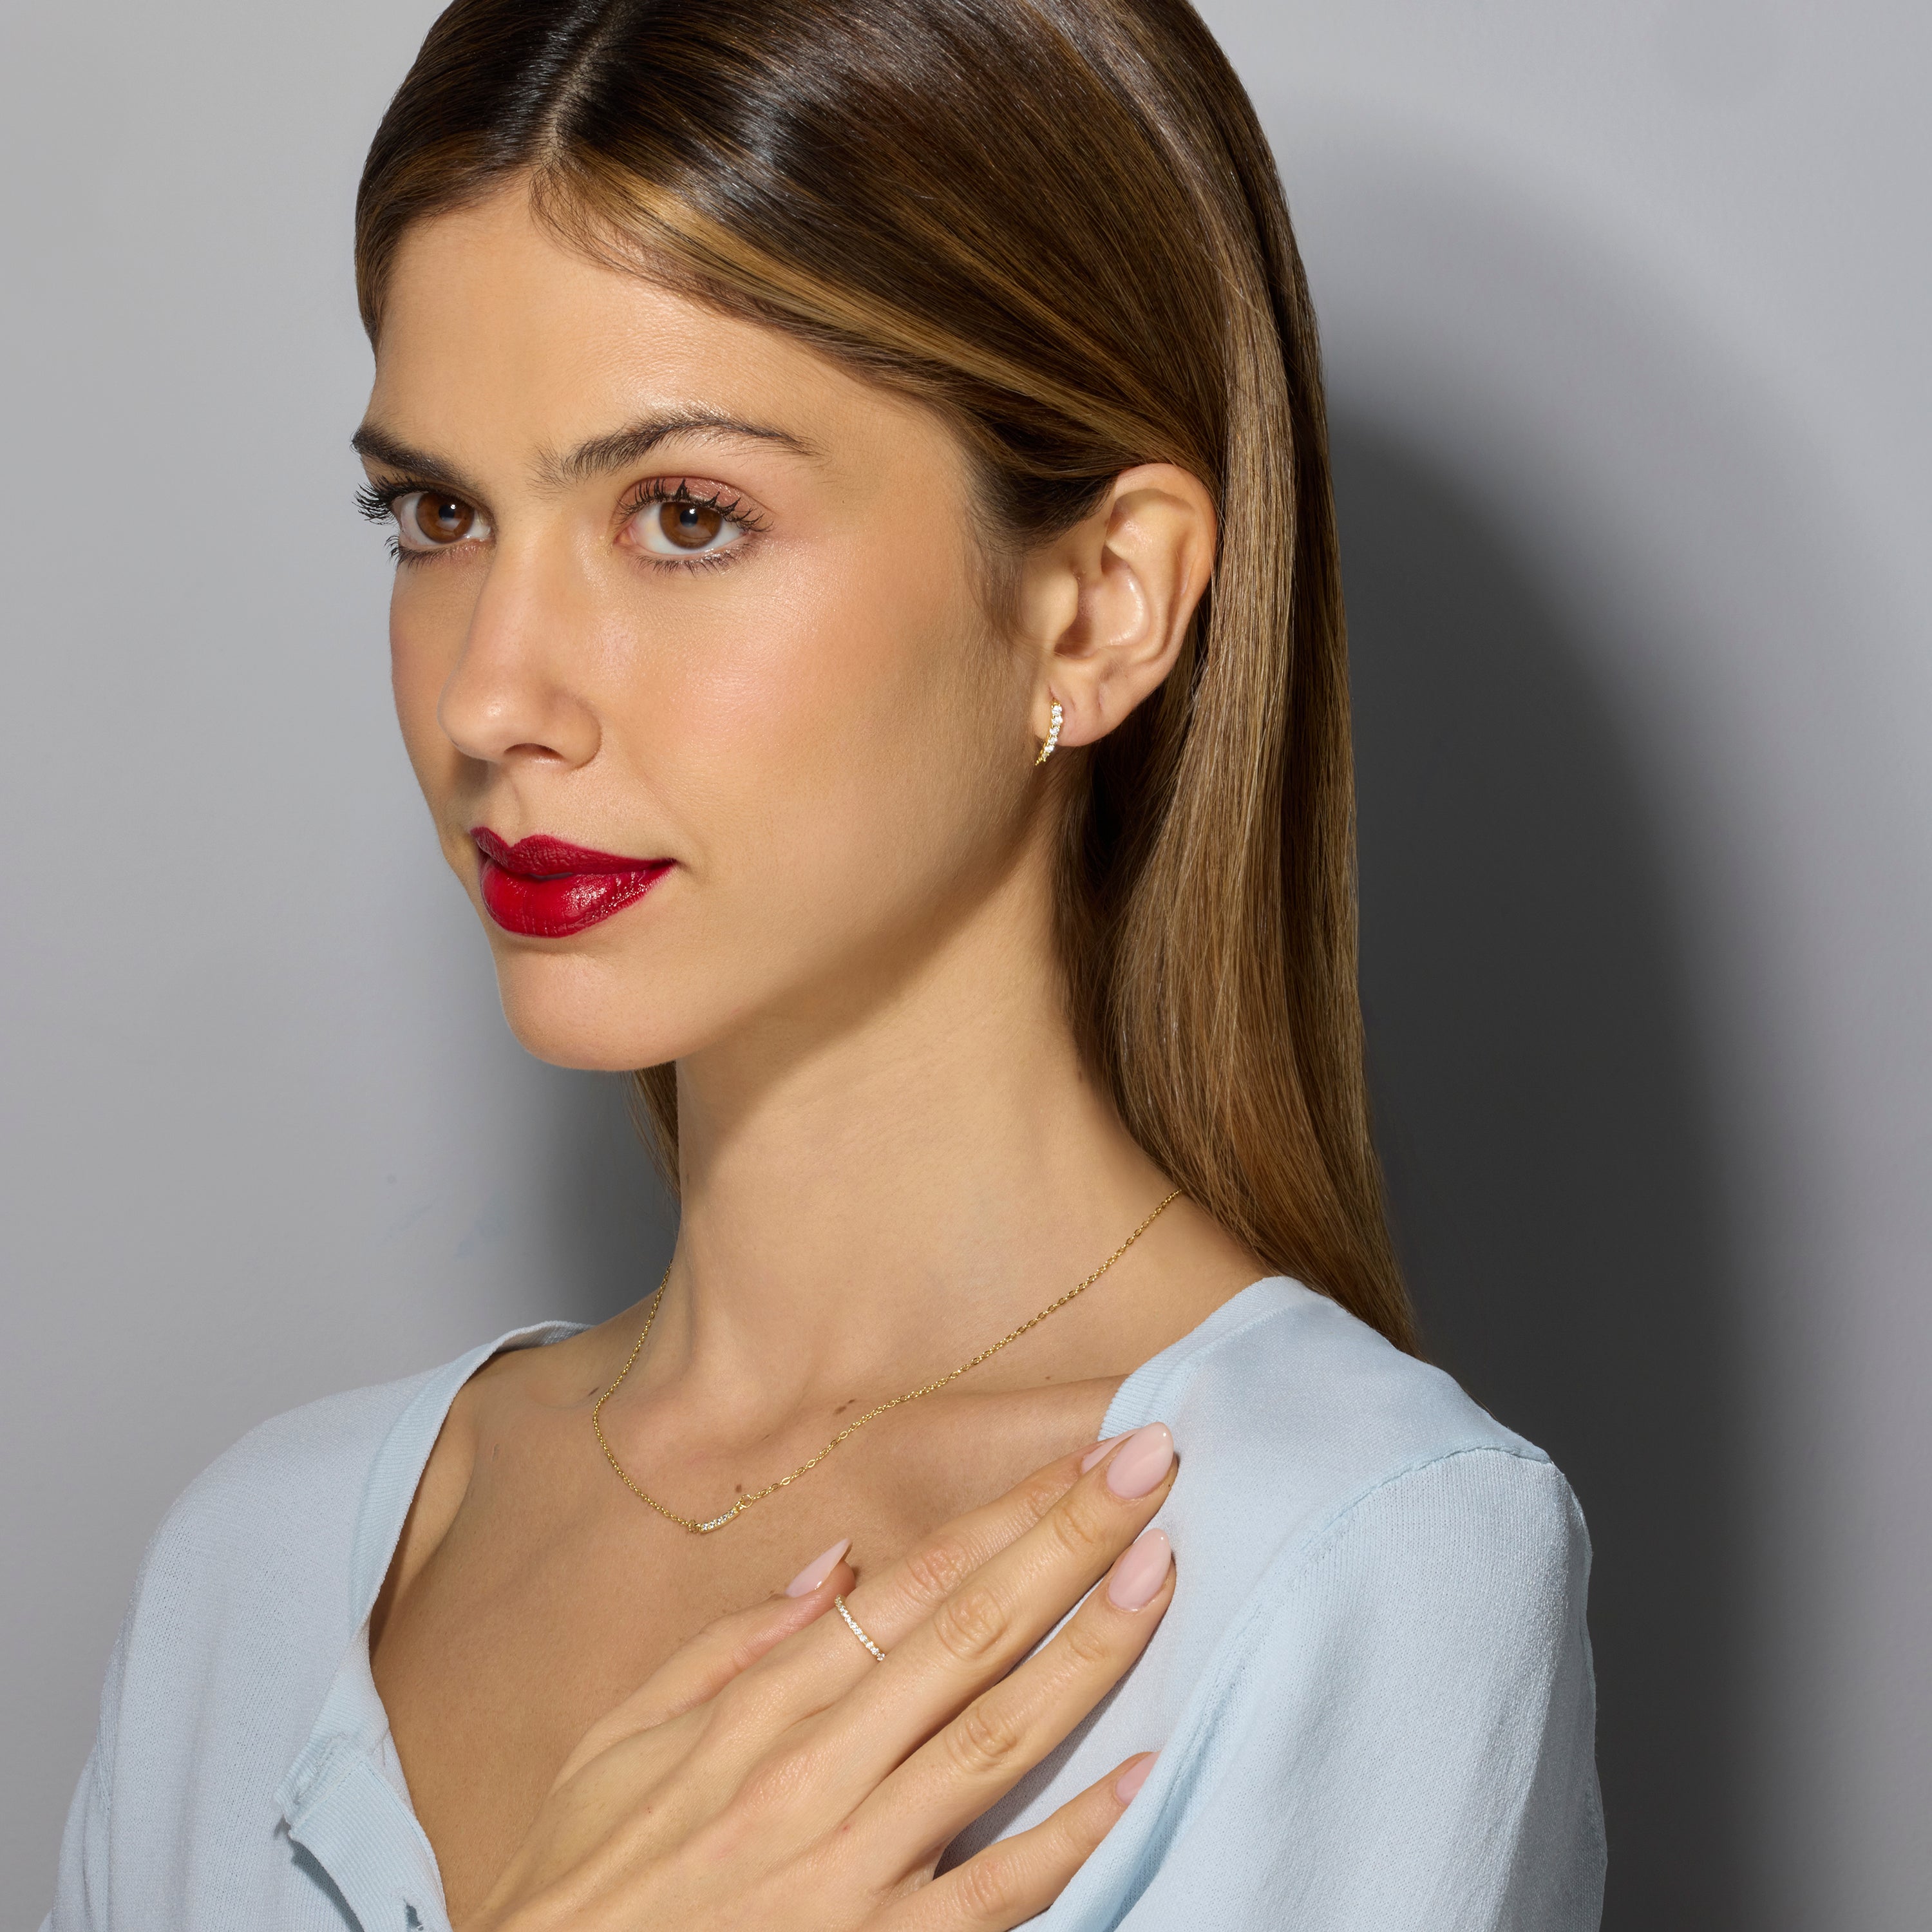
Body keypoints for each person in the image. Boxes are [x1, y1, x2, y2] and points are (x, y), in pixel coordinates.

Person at [46, 2, 1604, 1927]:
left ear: (1099, 604)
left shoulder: (1345, 1557)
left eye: (684, 517)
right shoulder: (253, 1572)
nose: (490, 695)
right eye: (439, 515)